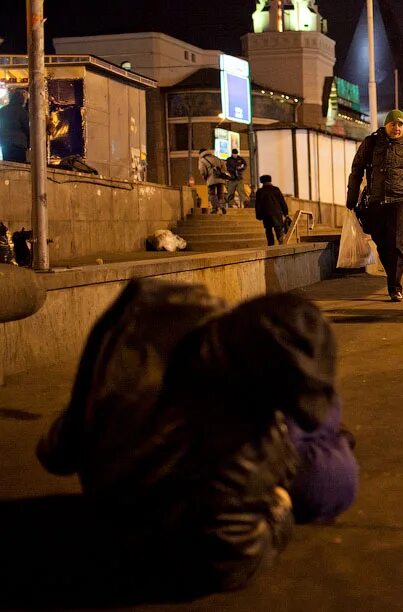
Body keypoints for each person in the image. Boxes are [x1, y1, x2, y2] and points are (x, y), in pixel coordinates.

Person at [36, 279, 357, 594]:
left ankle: (318, 426)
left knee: (320, 415)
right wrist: (280, 507)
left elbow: (71, 427)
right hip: (150, 516)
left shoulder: (155, 304)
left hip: (117, 467)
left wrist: (68, 447)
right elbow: (234, 562)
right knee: (335, 476)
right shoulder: (244, 453)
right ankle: (324, 433)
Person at [346, 109, 403, 302]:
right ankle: (391, 275)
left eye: (401, 125)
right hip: (375, 201)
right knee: (381, 243)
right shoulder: (371, 142)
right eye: (393, 124)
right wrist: (351, 197)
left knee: (395, 244)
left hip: (399, 201)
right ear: (386, 125)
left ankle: (395, 286)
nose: (397, 128)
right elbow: (356, 169)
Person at [255, 174, 289, 246]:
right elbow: (282, 201)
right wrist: (286, 212)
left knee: (268, 230)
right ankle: (281, 243)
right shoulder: (276, 189)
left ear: (262, 182)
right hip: (277, 213)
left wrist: (258, 215)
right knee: (279, 229)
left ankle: (271, 245)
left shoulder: (260, 191)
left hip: (266, 214)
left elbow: (258, 205)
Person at [0, 89, 30, 163]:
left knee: (8, 165)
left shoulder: (2, 110)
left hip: (6, 143)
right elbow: (26, 127)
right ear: (21, 100)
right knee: (19, 166)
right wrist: (29, 141)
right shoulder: (21, 111)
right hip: (19, 144)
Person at [198, 149, 228, 215]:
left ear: (200, 153)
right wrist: (221, 173)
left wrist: (205, 177)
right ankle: (222, 206)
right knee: (220, 193)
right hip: (220, 179)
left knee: (212, 194)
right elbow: (224, 168)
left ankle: (215, 208)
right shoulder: (216, 158)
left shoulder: (202, 160)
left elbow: (202, 171)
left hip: (211, 179)